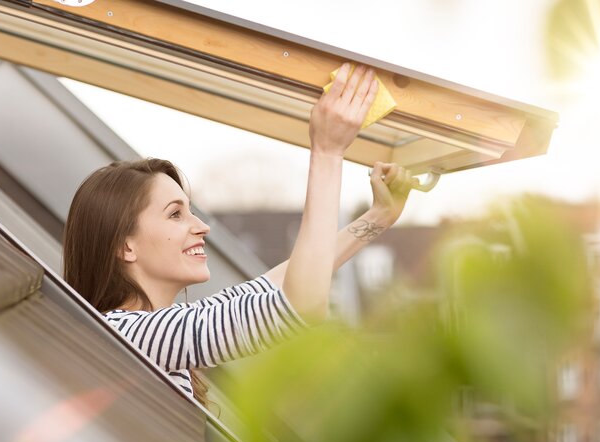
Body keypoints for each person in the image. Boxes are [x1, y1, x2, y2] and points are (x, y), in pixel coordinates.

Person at [62, 62, 419, 408]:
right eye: (175, 214)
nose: (201, 226)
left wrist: (379, 217)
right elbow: (301, 304)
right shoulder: (128, 334)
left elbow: (279, 283)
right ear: (125, 246)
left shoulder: (149, 330)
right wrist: (327, 151)